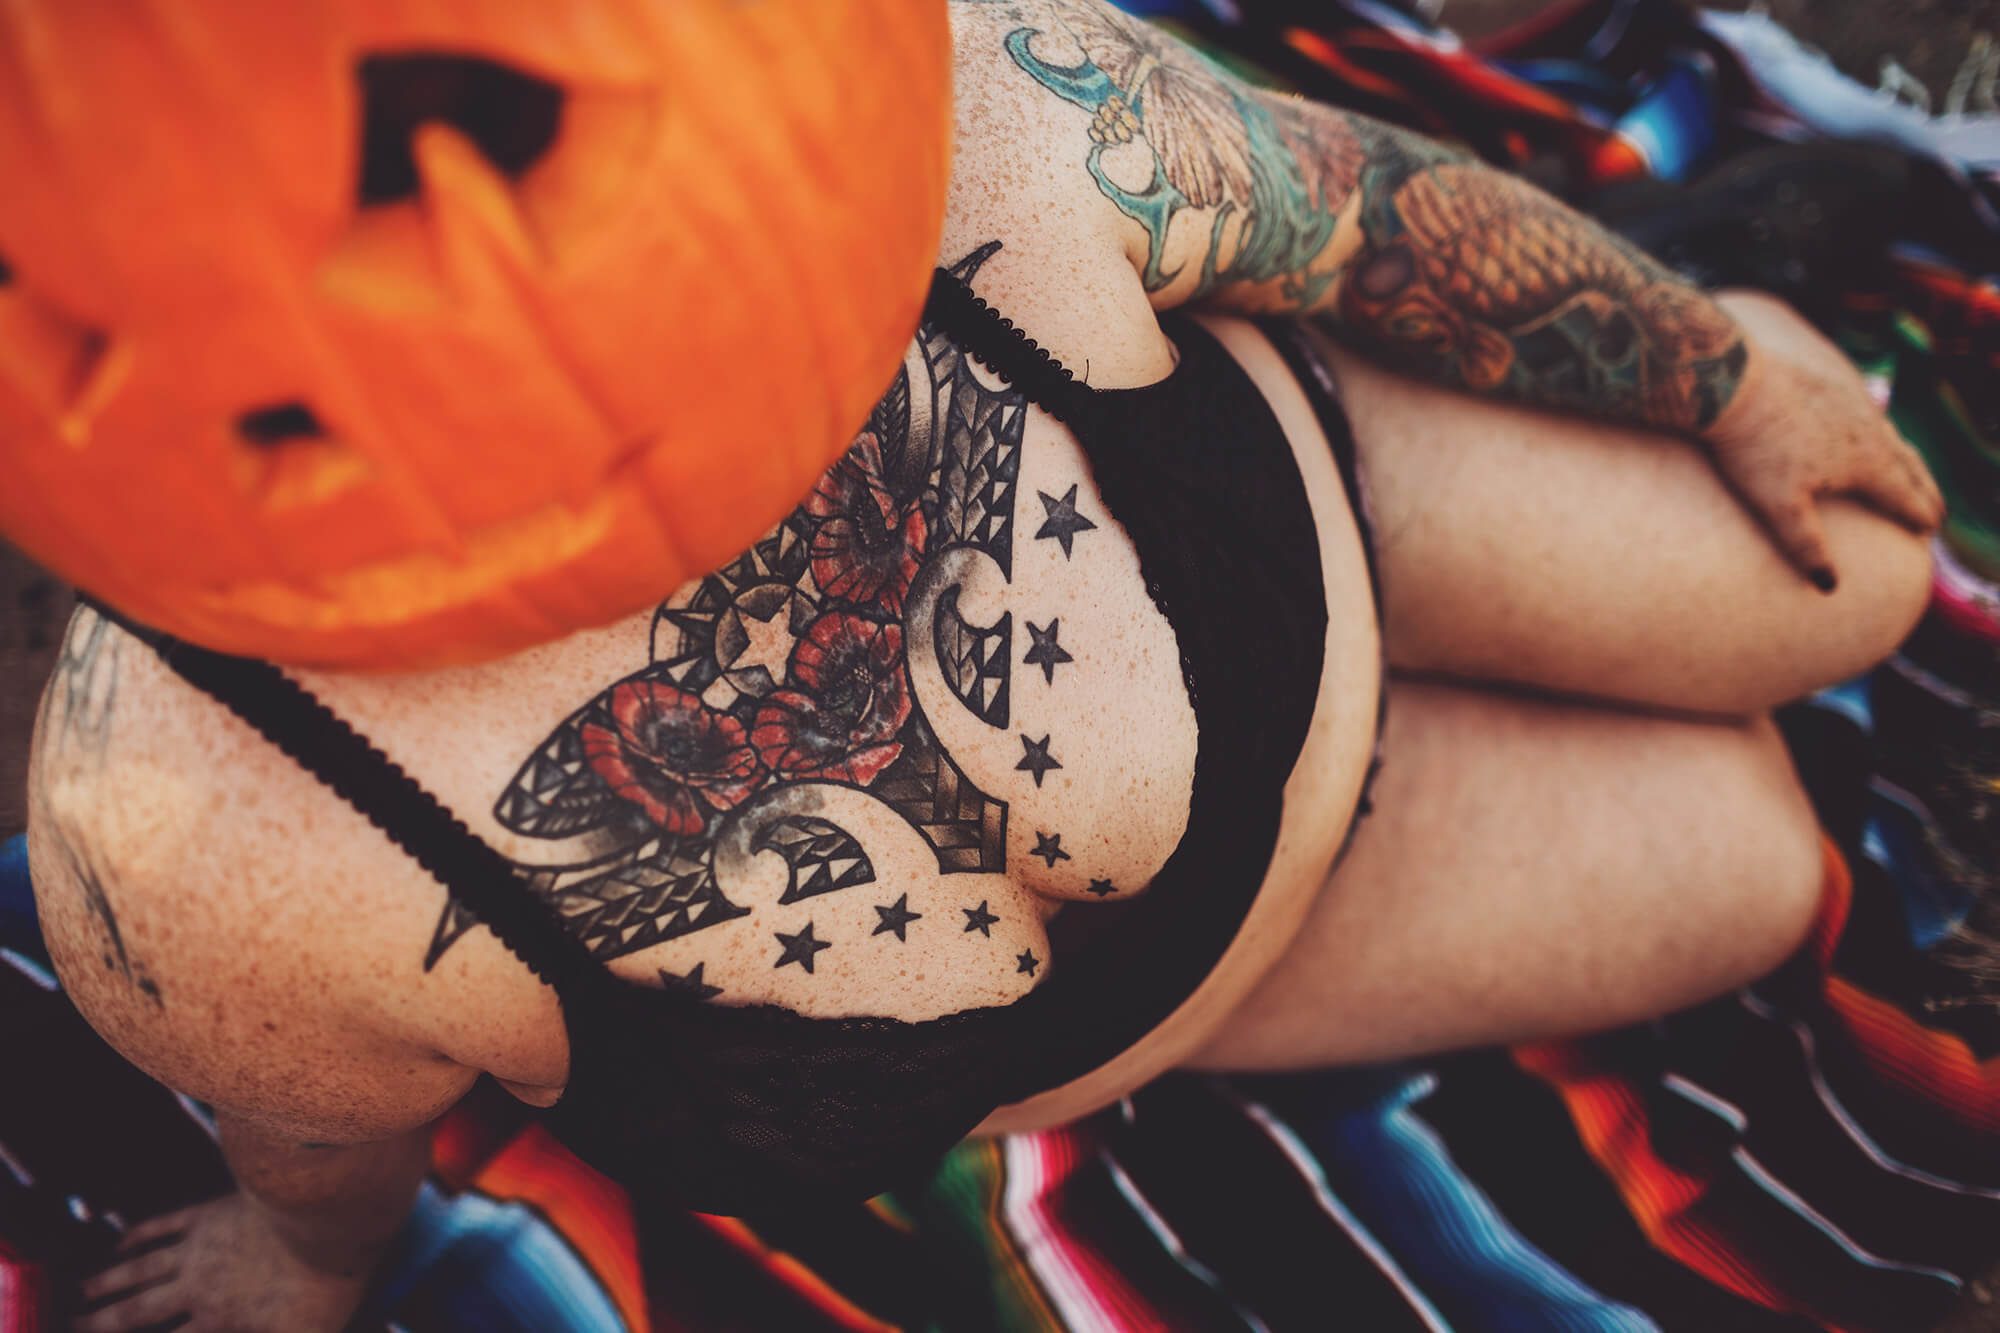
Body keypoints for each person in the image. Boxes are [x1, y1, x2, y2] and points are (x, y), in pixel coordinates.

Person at [30, 2, 1939, 1327]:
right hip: (1248, 952)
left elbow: (1359, 222)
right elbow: (318, 1138)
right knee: (1763, 865)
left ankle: (1719, 285)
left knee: (1856, 573)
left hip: (1358, 526)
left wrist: (1719, 364)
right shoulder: (193, 846)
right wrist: (302, 1267)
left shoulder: (934, 105)